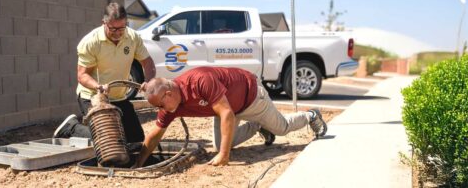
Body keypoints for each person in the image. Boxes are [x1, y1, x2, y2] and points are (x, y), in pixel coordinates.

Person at [135, 67, 326, 167]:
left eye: (160, 105)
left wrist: (224, 157)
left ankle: (311, 115)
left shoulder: (199, 80)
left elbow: (226, 113)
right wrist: (138, 164)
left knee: (282, 127)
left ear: (168, 93)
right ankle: (258, 126)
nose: (161, 110)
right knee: (221, 145)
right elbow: (155, 135)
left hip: (250, 98)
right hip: (226, 107)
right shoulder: (169, 106)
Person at [53, 2, 156, 152]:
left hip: (119, 97)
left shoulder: (133, 37)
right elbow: (82, 75)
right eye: (113, 28)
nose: (118, 33)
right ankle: (72, 127)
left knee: (136, 141)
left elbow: (148, 62)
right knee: (110, 142)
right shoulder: (91, 42)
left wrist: (149, 81)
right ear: (104, 23)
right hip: (93, 96)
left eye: (122, 28)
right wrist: (98, 87)